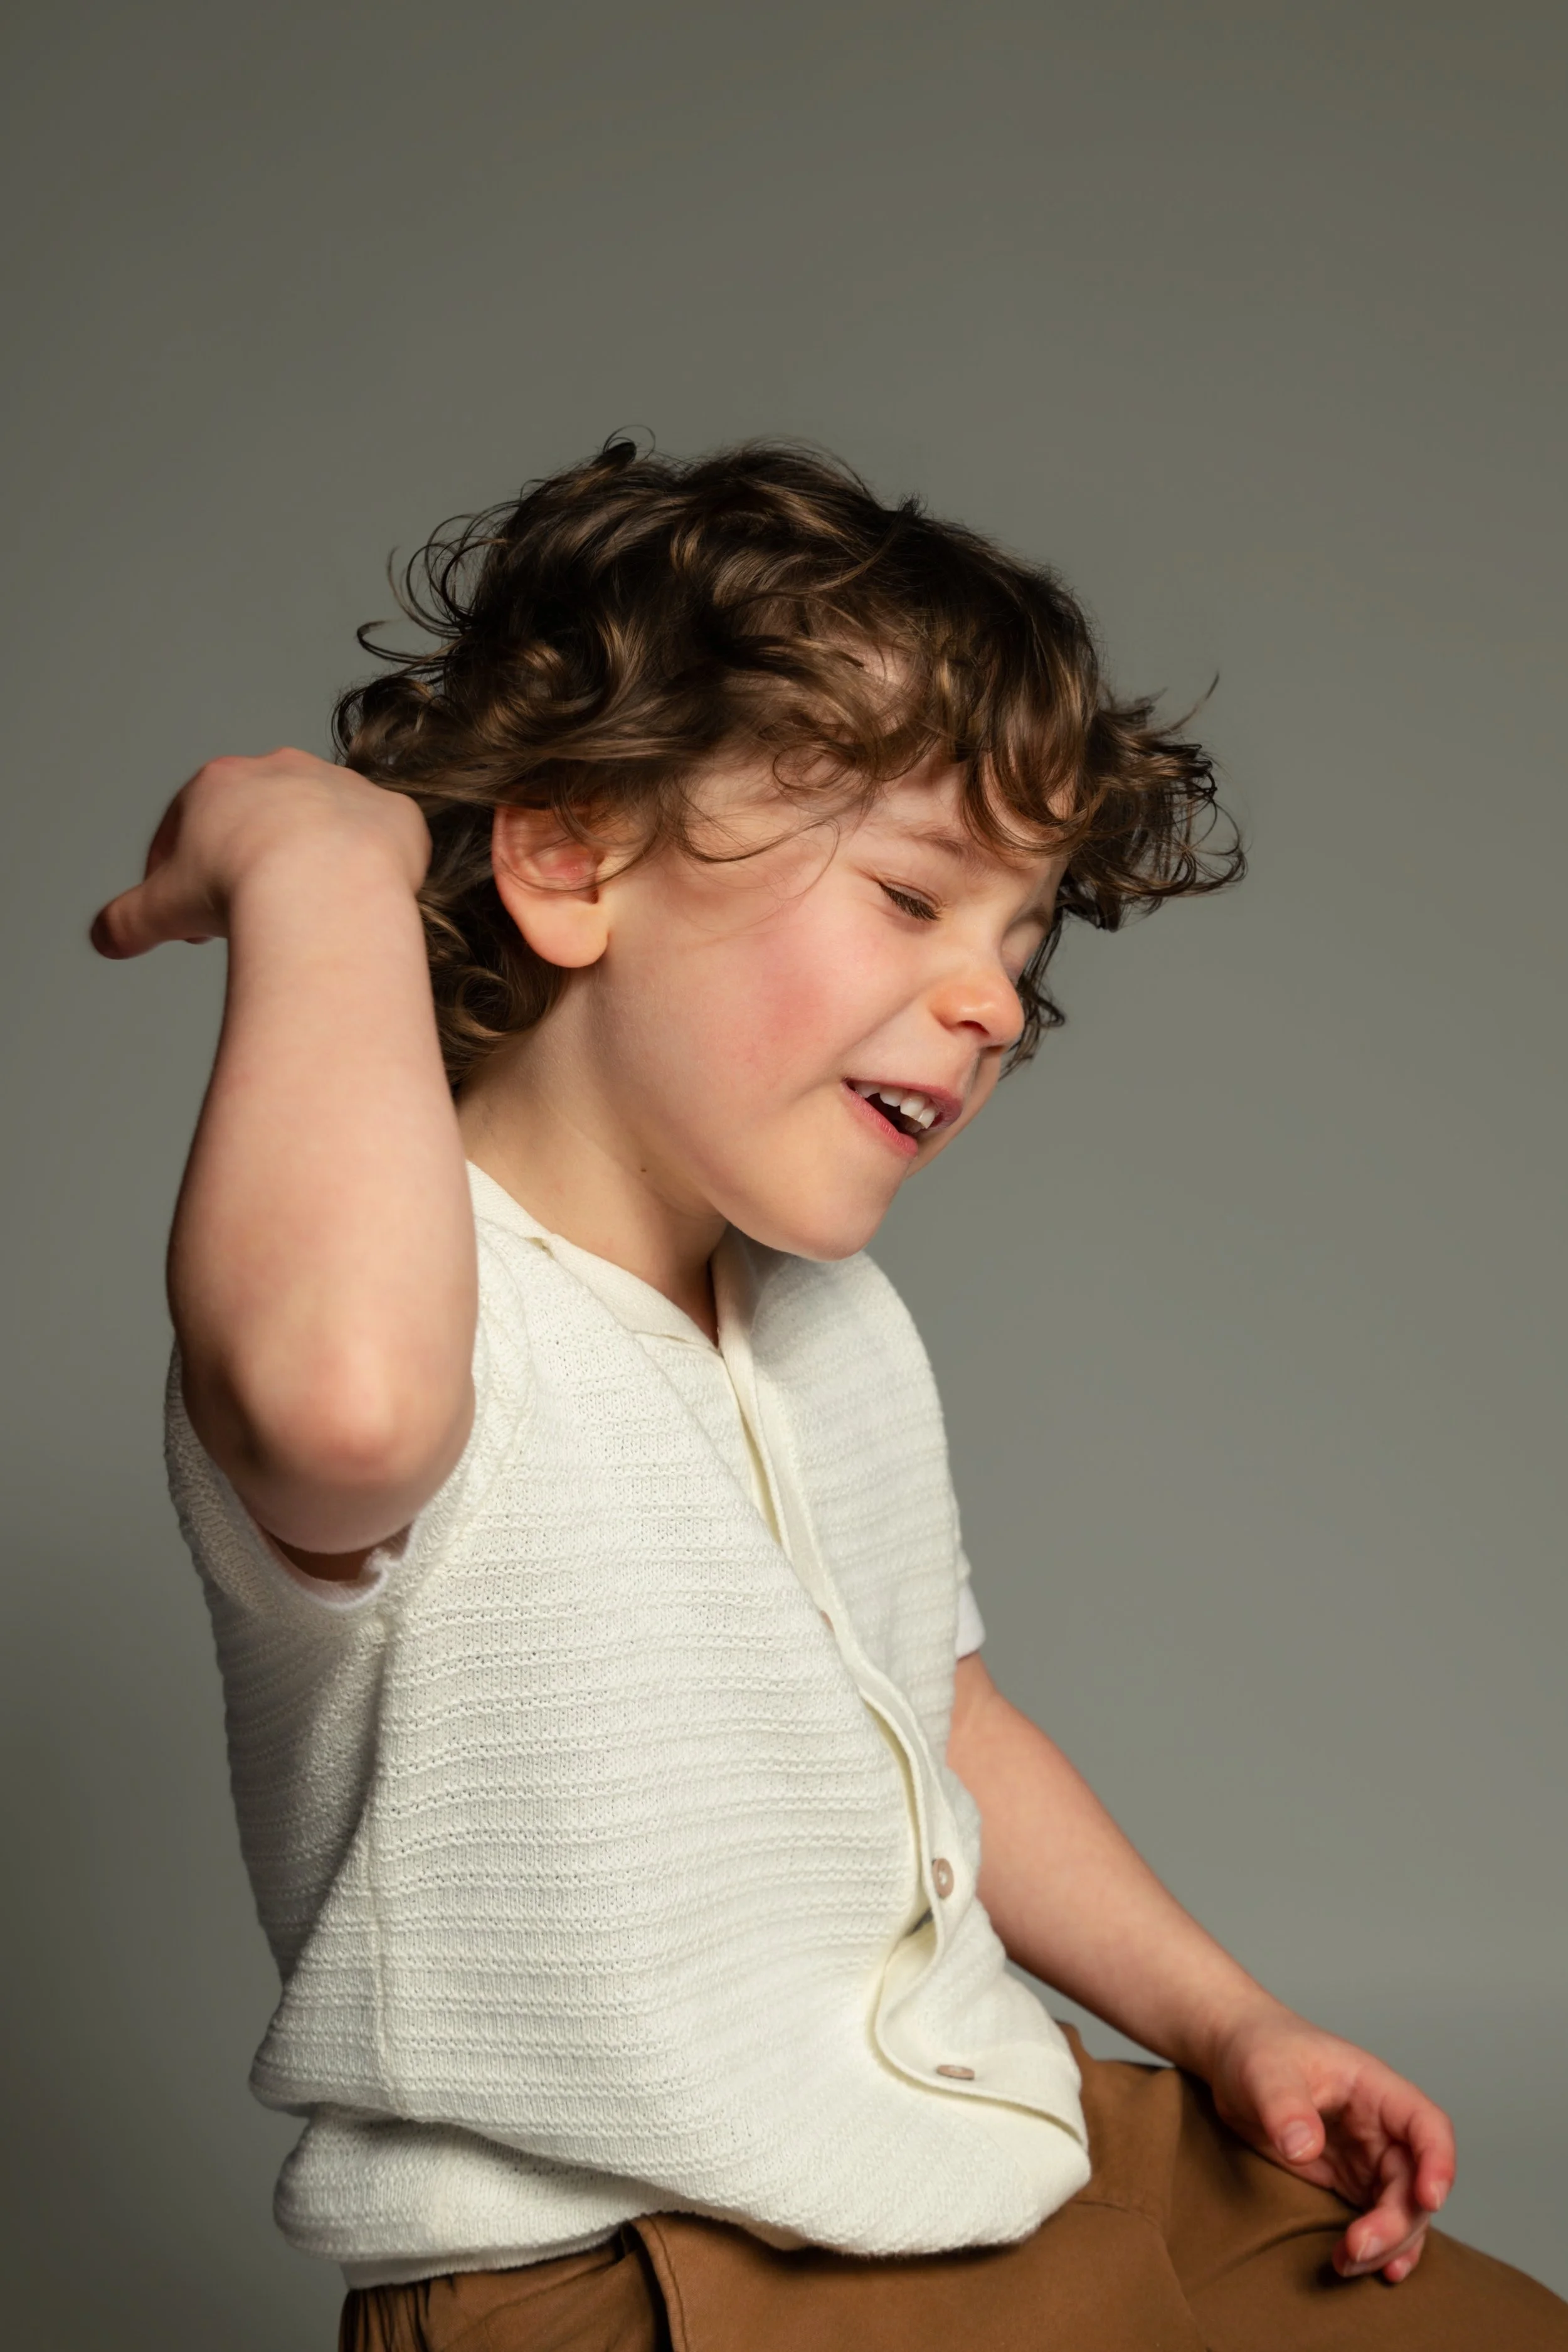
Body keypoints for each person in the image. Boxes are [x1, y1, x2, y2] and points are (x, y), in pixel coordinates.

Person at [92, 442, 1567, 2350]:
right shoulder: (407, 1306)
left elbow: (938, 1706)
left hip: (1024, 2149)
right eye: (909, 897)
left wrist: (1226, 2021)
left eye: (1017, 960)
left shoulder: (832, 1321)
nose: (984, 1004)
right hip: (632, 2266)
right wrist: (322, 873)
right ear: (568, 854)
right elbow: (347, 1412)